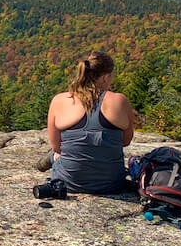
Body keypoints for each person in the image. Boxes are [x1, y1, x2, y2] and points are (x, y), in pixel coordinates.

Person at [38, 51, 134, 194]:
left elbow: (57, 147)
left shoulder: (60, 100)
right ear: (106, 78)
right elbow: (125, 141)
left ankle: (49, 160)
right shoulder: (119, 101)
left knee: (57, 154)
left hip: (68, 182)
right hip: (112, 184)